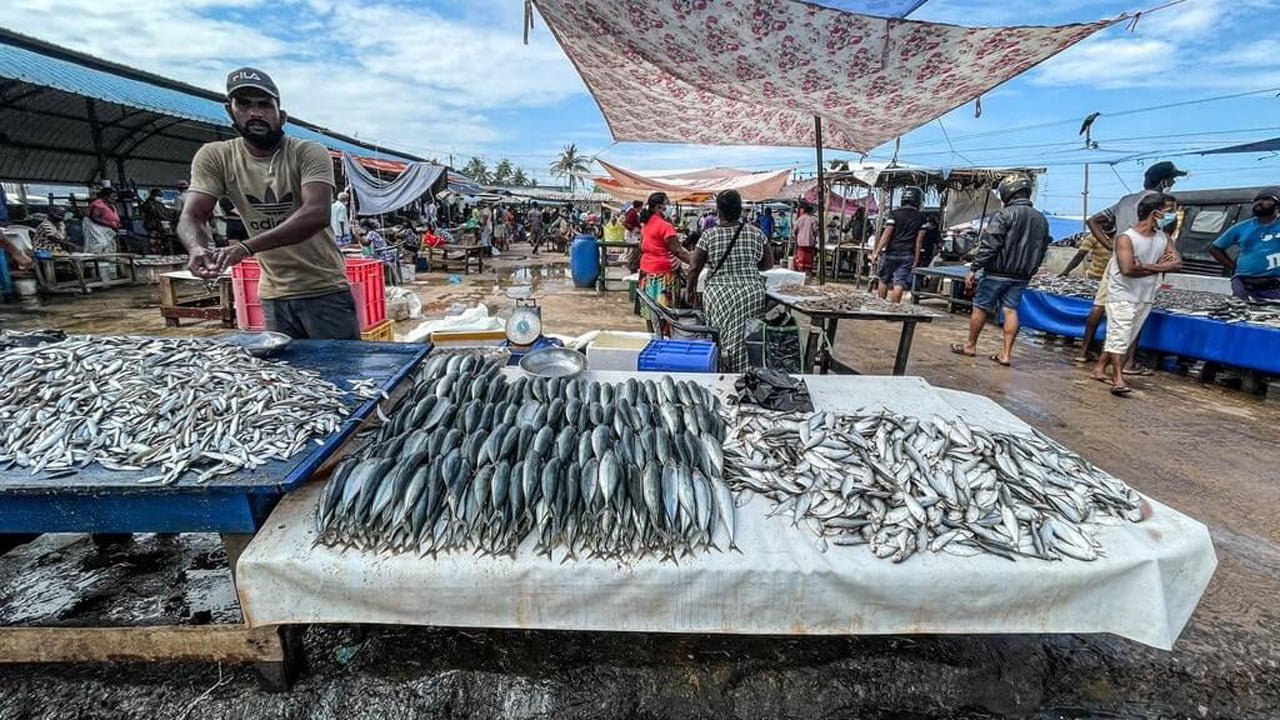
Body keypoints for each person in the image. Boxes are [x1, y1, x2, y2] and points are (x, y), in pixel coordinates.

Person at [179, 66, 358, 340]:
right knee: (285, 376)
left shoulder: (307, 152)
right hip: (273, 294)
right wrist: (196, 248)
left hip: (325, 289)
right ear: (230, 112)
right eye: (245, 104)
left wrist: (246, 248)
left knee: (341, 372)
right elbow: (193, 215)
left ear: (281, 115)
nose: (255, 113)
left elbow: (315, 214)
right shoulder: (215, 156)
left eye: (264, 105)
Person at [950, 175, 1050, 367]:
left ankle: (970, 346)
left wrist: (974, 267)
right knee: (1011, 310)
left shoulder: (1003, 215)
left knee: (980, 307)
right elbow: (1042, 248)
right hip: (1021, 276)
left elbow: (990, 244)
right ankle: (1005, 354)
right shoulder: (1041, 219)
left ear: (1006, 193)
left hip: (997, 273)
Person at [1093, 194, 1181, 396]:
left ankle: (1099, 368)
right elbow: (1127, 269)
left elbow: (1177, 262)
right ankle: (1118, 378)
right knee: (1121, 335)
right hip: (1122, 295)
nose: (1173, 216)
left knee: (1123, 336)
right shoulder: (1126, 238)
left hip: (1145, 295)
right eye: (1169, 211)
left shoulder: (1163, 238)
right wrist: (1160, 266)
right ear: (1155, 213)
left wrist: (1148, 266)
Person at [686, 190, 775, 372]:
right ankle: (746, 373)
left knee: (721, 336)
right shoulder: (756, 234)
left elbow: (694, 268)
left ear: (719, 211)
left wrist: (690, 291)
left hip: (718, 295)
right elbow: (767, 265)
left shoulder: (709, 235)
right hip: (751, 294)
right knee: (746, 338)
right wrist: (745, 266)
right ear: (740, 209)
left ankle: (722, 368)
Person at [1058, 215, 1116, 363]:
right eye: (1103, 223)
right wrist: (1065, 272)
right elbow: (1079, 256)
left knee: (1100, 309)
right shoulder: (1093, 237)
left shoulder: (1121, 237)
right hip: (1095, 278)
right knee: (1098, 308)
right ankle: (1083, 347)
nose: (1107, 225)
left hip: (1113, 280)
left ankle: (1092, 347)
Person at [1209, 187, 1280, 301]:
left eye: (1266, 199)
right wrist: (1232, 266)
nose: (1259, 203)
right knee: (1241, 311)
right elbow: (1215, 249)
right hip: (1243, 282)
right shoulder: (1241, 227)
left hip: (1275, 284)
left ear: (1277, 205)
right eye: (1256, 200)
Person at [638, 192, 690, 322]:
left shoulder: (645, 224)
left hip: (646, 274)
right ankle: (665, 340)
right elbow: (679, 252)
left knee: (649, 314)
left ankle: (652, 338)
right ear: (659, 207)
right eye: (668, 204)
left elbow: (642, 246)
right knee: (666, 317)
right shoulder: (666, 226)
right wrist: (696, 262)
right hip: (664, 276)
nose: (670, 207)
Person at [869, 186, 926, 303]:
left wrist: (877, 252)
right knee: (899, 283)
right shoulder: (921, 218)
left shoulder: (894, 214)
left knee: (883, 280)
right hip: (908, 254)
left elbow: (887, 234)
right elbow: (919, 241)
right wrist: (916, 258)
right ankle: (893, 312)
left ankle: (880, 308)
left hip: (891, 252)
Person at [83, 186, 121, 254]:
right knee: (99, 245)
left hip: (108, 231)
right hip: (96, 230)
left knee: (110, 248)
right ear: (106, 196)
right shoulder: (98, 204)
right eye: (113, 196)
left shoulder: (111, 205)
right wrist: (110, 224)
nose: (115, 198)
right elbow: (95, 217)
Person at [140, 188, 170, 253]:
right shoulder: (153, 204)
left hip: (151, 225)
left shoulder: (146, 203)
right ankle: (155, 252)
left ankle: (155, 251)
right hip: (154, 225)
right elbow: (160, 214)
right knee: (155, 240)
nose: (161, 197)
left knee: (155, 240)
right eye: (159, 195)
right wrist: (167, 218)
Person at [792, 201, 817, 272]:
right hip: (809, 242)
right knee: (808, 258)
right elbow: (816, 231)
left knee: (801, 257)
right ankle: (807, 271)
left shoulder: (799, 219)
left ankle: (800, 269)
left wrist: (795, 237)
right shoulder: (813, 219)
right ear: (811, 212)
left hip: (800, 242)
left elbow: (794, 230)